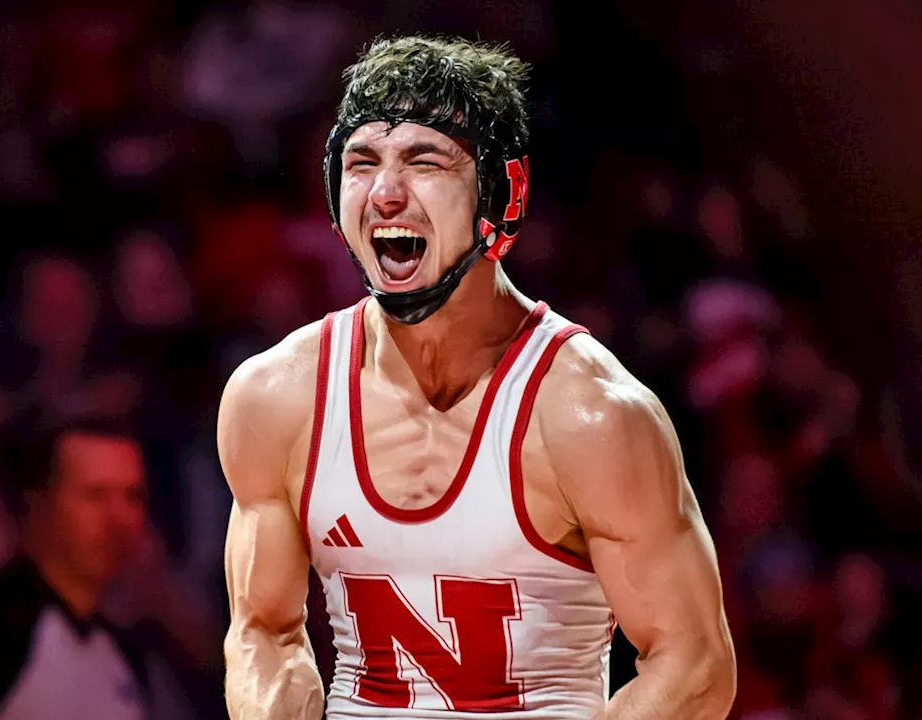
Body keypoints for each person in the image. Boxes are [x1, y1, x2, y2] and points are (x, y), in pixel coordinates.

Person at [218, 35, 736, 718]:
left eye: (423, 161)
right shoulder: (276, 396)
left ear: (504, 192)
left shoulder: (591, 413)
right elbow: (264, 634)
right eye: (362, 162)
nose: (384, 192)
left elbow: (694, 664)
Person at [0, 418, 197, 720]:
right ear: (39, 504)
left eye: (132, 497)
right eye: (95, 495)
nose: (119, 520)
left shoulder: (122, 653)